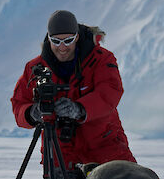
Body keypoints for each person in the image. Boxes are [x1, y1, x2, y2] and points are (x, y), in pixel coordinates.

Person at [11, 10, 136, 175]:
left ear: (77, 37)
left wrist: (80, 108)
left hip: (106, 152)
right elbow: (19, 104)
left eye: (68, 40)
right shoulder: (35, 68)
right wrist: (31, 113)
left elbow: (110, 92)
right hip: (60, 157)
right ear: (48, 39)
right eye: (56, 41)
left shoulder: (101, 59)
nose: (62, 47)